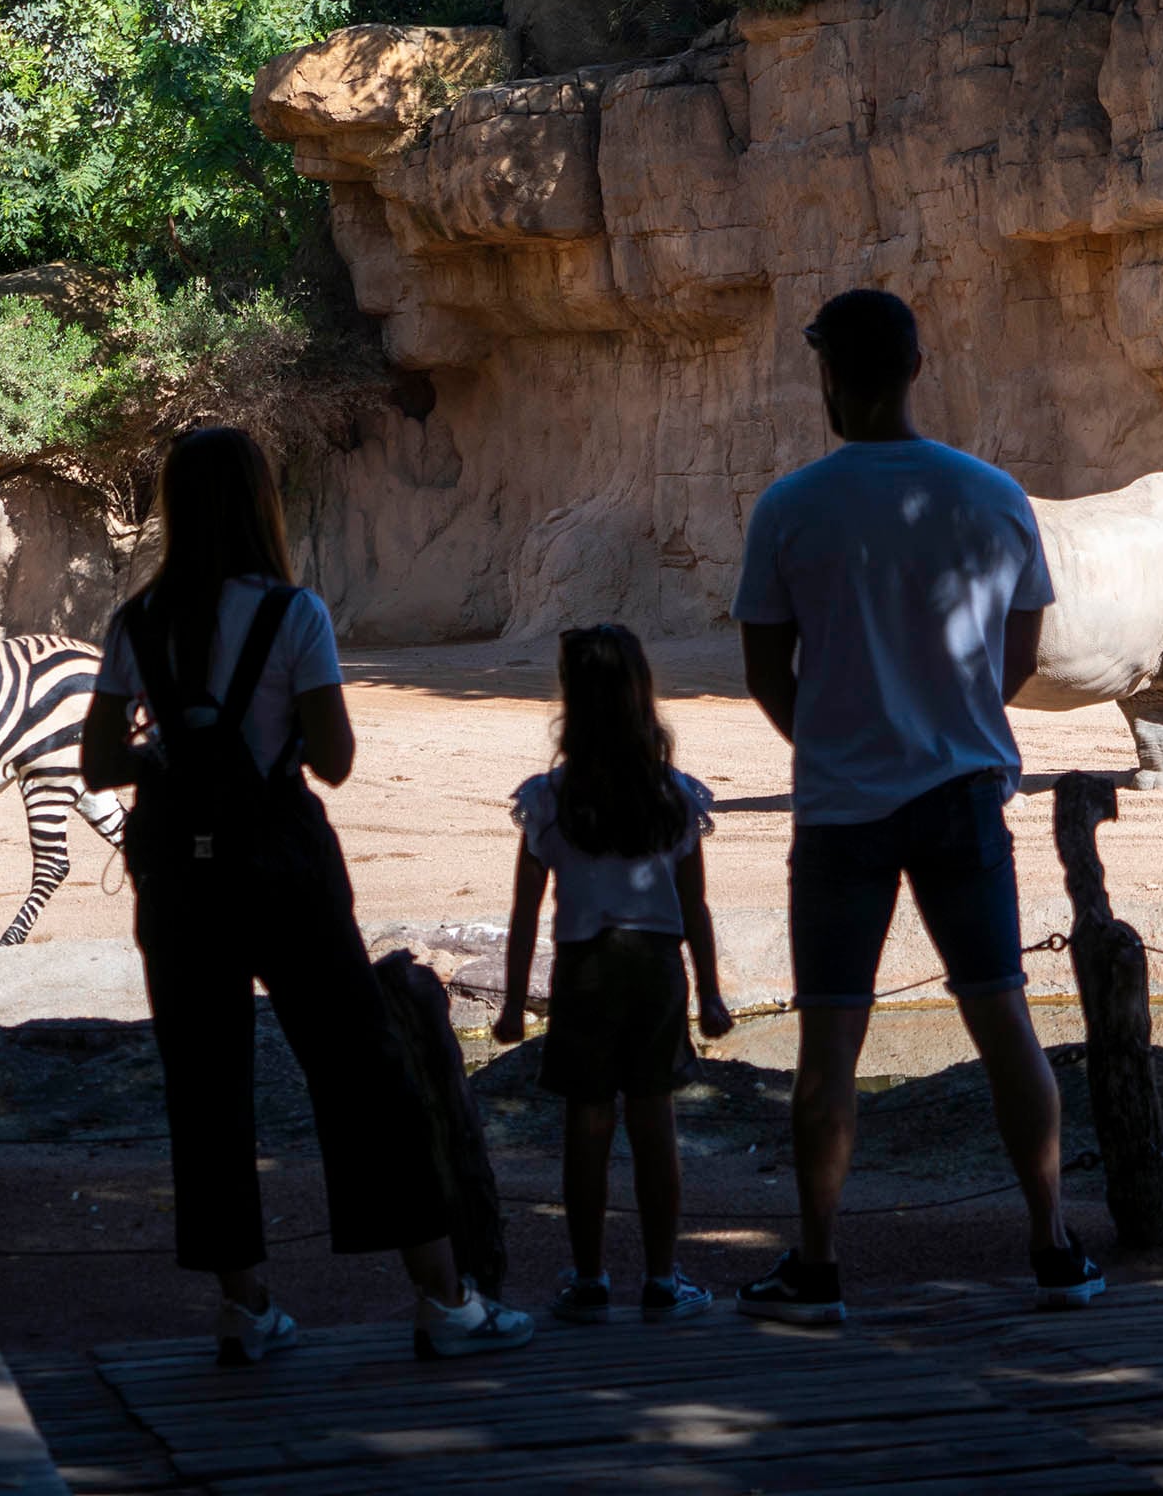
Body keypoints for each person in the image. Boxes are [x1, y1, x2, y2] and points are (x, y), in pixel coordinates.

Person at [79, 426, 533, 1365]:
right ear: (259, 502)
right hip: (282, 861)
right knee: (360, 1072)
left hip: (176, 872)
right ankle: (441, 1301)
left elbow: (96, 763)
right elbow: (333, 761)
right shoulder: (294, 615)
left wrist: (169, 749)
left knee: (205, 1089)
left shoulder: (138, 620)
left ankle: (245, 1310)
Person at [728, 288, 1100, 1325]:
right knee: (1003, 1019)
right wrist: (957, 714)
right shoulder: (991, 495)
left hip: (844, 805)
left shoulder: (791, 505)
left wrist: (841, 733)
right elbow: (1023, 647)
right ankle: (1054, 1244)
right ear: (917, 366)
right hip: (966, 790)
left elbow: (766, 667)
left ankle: (816, 1263)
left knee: (829, 1043)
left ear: (827, 373)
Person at [492, 625, 733, 1326]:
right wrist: (710, 992)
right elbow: (695, 907)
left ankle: (591, 1277)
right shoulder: (676, 796)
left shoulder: (549, 799)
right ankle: (662, 1277)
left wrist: (514, 1005)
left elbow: (525, 913)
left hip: (585, 968)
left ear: (571, 700)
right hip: (657, 967)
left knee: (587, 1124)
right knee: (654, 1120)